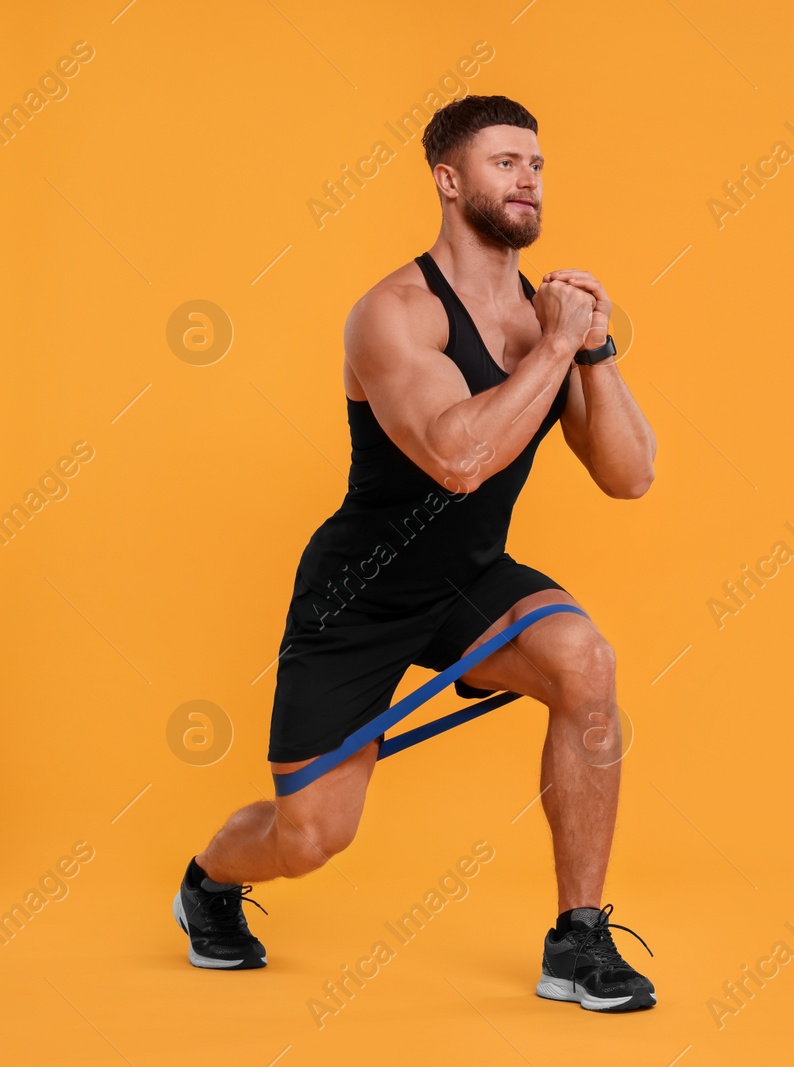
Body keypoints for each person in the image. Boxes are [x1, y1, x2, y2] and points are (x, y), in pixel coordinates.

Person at [171, 94, 660, 1013]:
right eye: (504, 163)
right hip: (359, 593)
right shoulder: (393, 313)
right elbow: (460, 458)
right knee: (310, 838)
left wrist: (594, 348)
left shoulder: (544, 318)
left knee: (586, 662)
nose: (526, 180)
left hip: (469, 581)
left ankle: (579, 938)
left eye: (536, 165)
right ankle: (207, 879)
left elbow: (629, 476)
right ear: (448, 180)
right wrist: (554, 343)